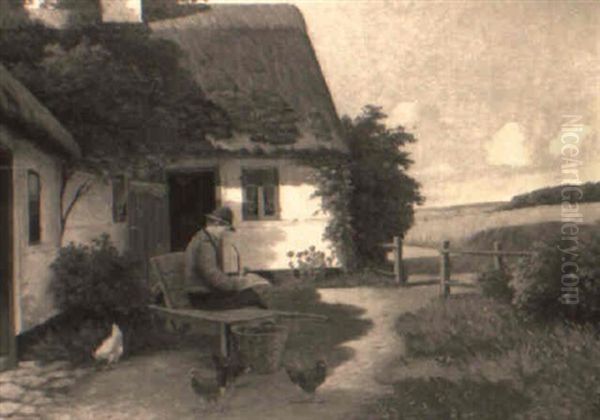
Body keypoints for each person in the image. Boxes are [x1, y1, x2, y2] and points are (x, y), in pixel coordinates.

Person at [184, 206, 271, 309]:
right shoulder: (205, 243)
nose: (224, 233)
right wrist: (241, 283)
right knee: (253, 296)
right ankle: (261, 323)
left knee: (252, 294)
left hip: (207, 293)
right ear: (216, 224)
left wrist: (239, 279)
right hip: (202, 298)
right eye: (225, 229)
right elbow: (213, 277)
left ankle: (260, 323)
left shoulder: (204, 238)